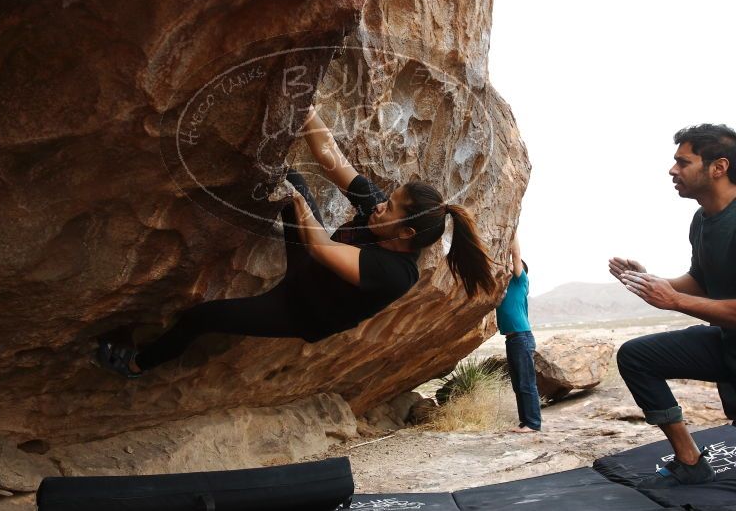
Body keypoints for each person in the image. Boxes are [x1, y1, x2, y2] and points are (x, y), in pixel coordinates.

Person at [96, 105, 495, 377]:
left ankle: (136, 366)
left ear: (406, 233)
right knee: (293, 178)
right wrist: (305, 108)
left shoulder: (396, 273)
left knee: (202, 318)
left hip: (300, 309)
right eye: (387, 199)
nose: (379, 206)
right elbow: (329, 155)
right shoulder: (379, 214)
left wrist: (298, 200)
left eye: (391, 208)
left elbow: (321, 247)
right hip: (311, 268)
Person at [611, 123, 736, 489]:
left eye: (683, 162)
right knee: (636, 356)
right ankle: (689, 459)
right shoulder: (702, 220)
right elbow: (701, 280)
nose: (672, 170)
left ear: (719, 167)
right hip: (728, 343)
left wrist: (675, 301)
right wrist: (655, 282)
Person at [496, 233, 541, 433]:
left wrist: (512, 232)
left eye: (514, 266)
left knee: (526, 382)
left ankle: (533, 423)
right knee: (518, 384)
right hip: (513, 339)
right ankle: (525, 422)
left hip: (522, 337)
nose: (510, 266)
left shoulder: (521, 281)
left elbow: (515, 255)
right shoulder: (506, 289)